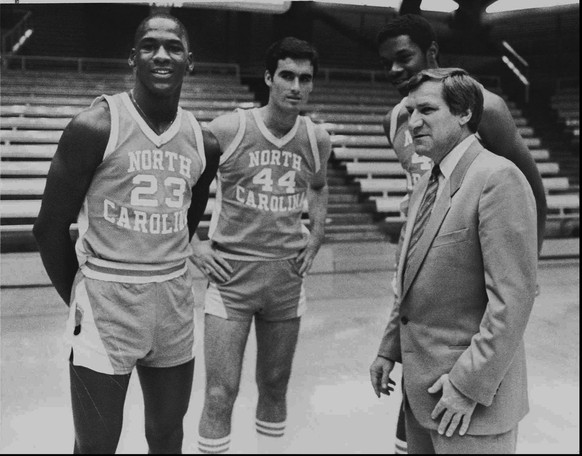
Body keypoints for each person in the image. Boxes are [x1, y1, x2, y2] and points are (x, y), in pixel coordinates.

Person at [33, 13, 220, 453]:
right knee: (96, 444)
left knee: (167, 435)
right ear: (132, 58)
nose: (162, 55)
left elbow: (187, 222)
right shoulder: (96, 126)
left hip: (173, 300)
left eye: (173, 47)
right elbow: (48, 228)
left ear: (189, 62)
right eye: (150, 46)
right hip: (107, 299)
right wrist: (81, 295)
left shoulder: (203, 141)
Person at [374, 14, 547, 454]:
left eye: (426, 111)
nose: (413, 122)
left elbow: (514, 294)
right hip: (421, 380)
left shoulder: (496, 173)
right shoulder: (425, 180)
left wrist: (522, 268)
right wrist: (389, 346)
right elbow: (409, 269)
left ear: (466, 113)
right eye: (411, 112)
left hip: (469, 388)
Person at [190, 36, 331, 454]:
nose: (296, 87)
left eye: (305, 79)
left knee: (274, 387)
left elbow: (319, 188)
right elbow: (180, 183)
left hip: (286, 276)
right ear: (269, 78)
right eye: (287, 76)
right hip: (232, 274)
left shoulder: (316, 138)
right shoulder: (229, 128)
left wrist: (317, 234)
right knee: (220, 393)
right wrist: (192, 243)